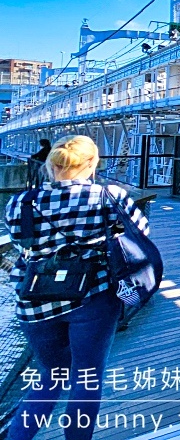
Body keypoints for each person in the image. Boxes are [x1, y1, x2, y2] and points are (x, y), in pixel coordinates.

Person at [3, 135, 150, 440]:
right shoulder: (110, 197)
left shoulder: (21, 203)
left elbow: (21, 244)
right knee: (86, 377)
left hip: (35, 300)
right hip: (93, 297)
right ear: (92, 163)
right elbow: (140, 236)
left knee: (51, 376)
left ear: (50, 165)